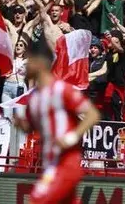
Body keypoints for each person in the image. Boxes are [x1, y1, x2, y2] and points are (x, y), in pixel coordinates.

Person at [14, 39, 101, 204]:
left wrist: (70, 138)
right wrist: (21, 124)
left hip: (66, 163)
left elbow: (92, 114)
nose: (26, 65)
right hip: (50, 164)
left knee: (37, 200)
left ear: (39, 63)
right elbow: (32, 127)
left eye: (29, 60)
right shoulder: (33, 99)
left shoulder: (61, 90)